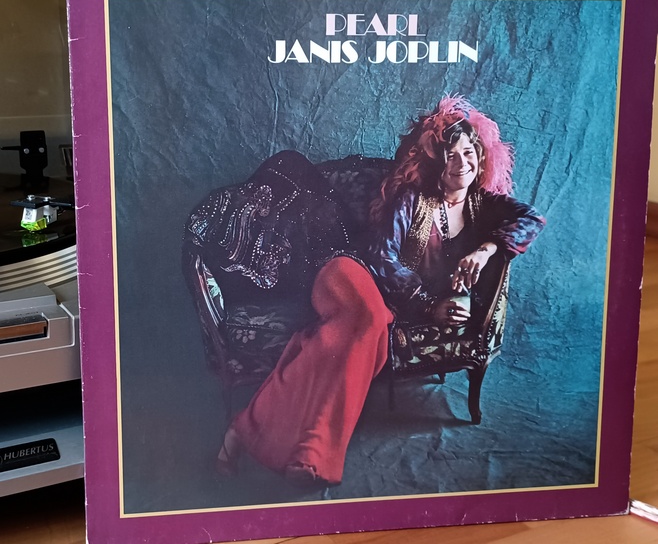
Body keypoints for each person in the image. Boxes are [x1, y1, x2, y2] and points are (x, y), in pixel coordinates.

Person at [215, 95, 546, 487]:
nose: (462, 163)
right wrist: (429, 305)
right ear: (437, 163)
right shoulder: (413, 199)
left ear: (481, 156)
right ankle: (310, 455)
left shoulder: (483, 206)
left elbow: (531, 218)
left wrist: (486, 249)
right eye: (451, 155)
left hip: (387, 302)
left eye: (469, 153)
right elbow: (383, 258)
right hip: (347, 271)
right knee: (368, 318)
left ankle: (252, 435)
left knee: (360, 334)